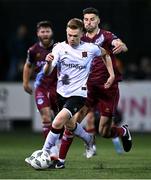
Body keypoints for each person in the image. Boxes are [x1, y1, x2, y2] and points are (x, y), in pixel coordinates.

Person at [26, 18, 115, 169]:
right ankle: (88, 138)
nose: (72, 38)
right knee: (71, 125)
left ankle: (44, 152)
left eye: (75, 35)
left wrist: (111, 74)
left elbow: (105, 54)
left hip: (79, 95)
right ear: (66, 33)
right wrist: (48, 62)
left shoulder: (91, 48)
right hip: (61, 94)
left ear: (82, 34)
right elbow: (48, 72)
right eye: (69, 35)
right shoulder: (59, 48)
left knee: (57, 122)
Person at [56, 7, 132, 167]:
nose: (89, 22)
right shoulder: (78, 38)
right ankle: (60, 161)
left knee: (104, 131)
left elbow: (119, 44)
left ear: (98, 20)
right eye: (86, 19)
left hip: (107, 88)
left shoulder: (105, 36)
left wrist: (122, 45)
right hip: (87, 88)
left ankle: (122, 131)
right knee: (71, 123)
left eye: (92, 19)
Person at [23, 21, 60, 162]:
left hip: (58, 88)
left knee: (59, 119)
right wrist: (25, 82)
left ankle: (58, 143)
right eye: (42, 32)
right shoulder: (33, 50)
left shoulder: (59, 48)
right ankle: (51, 150)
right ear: (38, 33)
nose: (45, 34)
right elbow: (28, 66)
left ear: (52, 32)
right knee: (46, 117)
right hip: (42, 87)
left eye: (47, 31)